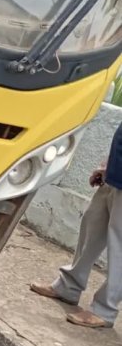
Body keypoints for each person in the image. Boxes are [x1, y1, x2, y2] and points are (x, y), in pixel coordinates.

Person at [30, 120, 122, 328]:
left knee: (119, 247)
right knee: (91, 227)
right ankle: (68, 286)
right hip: (115, 174)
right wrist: (107, 165)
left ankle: (104, 311)